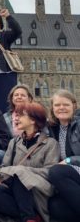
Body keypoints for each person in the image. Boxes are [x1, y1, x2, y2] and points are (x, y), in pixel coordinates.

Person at [0, 102, 60, 222]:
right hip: (15, 190)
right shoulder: (14, 142)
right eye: (16, 115)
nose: (16, 118)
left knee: (19, 173)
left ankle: (28, 217)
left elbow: (51, 171)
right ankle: (31, 218)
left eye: (21, 115)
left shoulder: (50, 143)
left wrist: (24, 171)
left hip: (38, 190)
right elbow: (4, 166)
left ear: (33, 120)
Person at [47, 90, 80, 222]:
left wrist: (68, 160)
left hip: (72, 170)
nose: (61, 108)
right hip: (69, 177)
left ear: (74, 106)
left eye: (66, 104)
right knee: (55, 207)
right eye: (57, 105)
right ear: (52, 108)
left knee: (56, 171)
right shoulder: (52, 128)